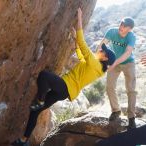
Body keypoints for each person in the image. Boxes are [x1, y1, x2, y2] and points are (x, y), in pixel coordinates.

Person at [11, 8, 116, 146]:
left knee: (44, 76)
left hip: (65, 85)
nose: (101, 50)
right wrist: (74, 39)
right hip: (65, 92)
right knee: (35, 111)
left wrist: (79, 18)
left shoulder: (95, 63)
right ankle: (24, 140)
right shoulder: (97, 69)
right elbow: (81, 56)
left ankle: (41, 99)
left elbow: (83, 43)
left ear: (105, 57)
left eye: (104, 51)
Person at [97, 16, 137, 129]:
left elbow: (128, 53)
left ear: (129, 29)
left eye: (125, 26)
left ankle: (131, 117)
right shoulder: (112, 31)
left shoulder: (131, 36)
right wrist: (100, 60)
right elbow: (101, 45)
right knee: (109, 86)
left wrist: (115, 63)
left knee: (131, 90)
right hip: (114, 62)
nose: (121, 27)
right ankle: (116, 110)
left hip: (128, 63)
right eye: (121, 24)